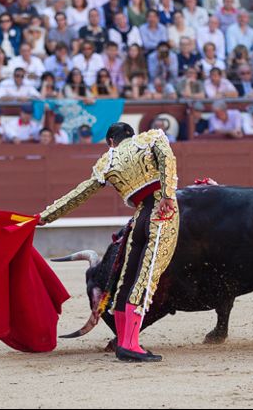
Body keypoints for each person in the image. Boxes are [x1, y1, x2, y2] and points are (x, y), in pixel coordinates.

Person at [37, 123, 180, 363]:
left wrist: (45, 216)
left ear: (111, 142)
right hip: (161, 210)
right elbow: (167, 157)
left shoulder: (107, 161)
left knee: (127, 277)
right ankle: (131, 345)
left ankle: (124, 341)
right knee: (146, 276)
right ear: (130, 135)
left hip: (139, 218)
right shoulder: (151, 138)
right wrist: (167, 194)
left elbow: (79, 194)